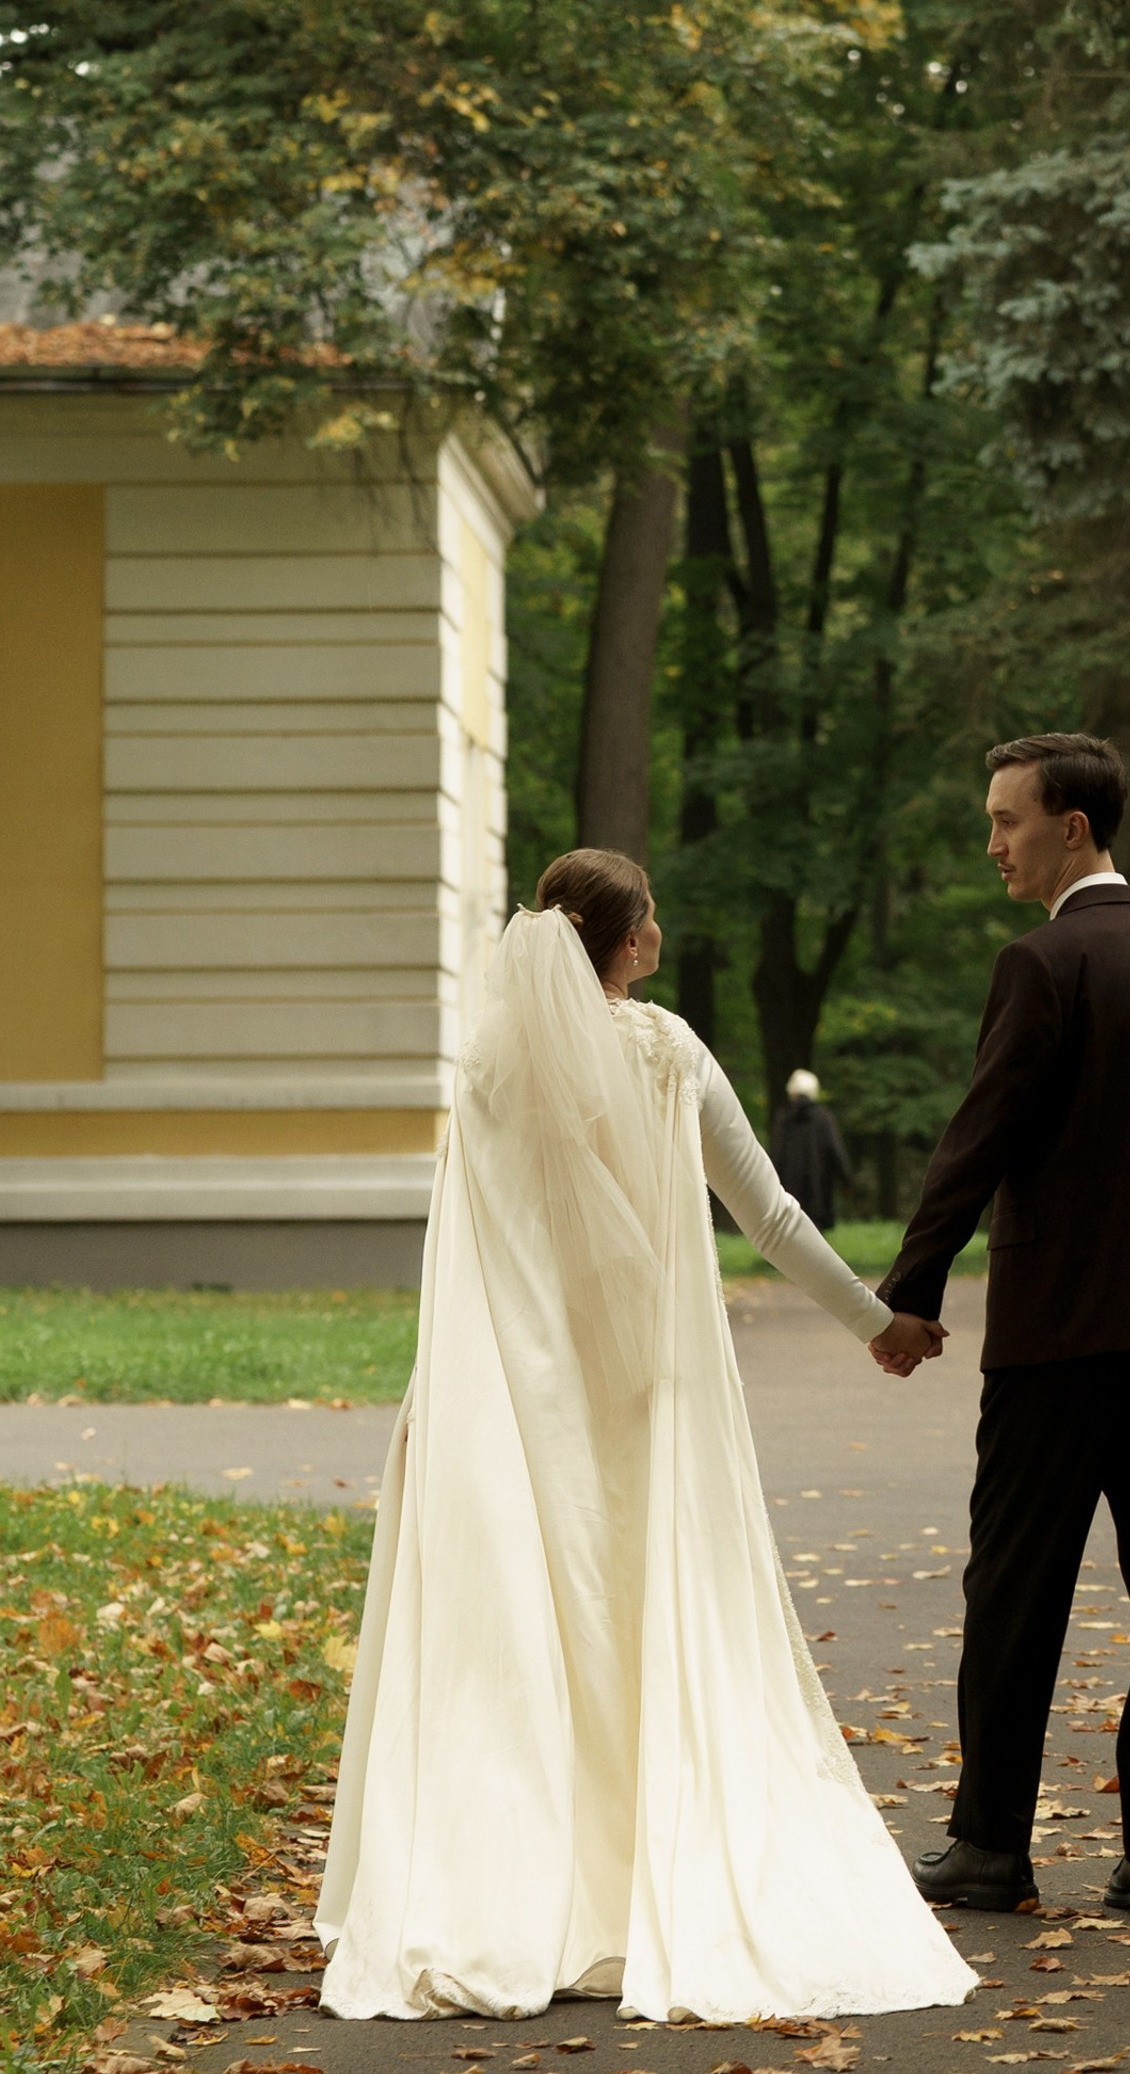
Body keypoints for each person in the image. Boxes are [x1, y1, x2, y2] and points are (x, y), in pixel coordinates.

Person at [316, 848, 971, 2026]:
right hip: (637, 1395)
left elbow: (459, 1244)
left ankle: (514, 1887)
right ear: (624, 943)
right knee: (639, 1613)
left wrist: (435, 1390)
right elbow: (766, 1213)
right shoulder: (667, 1053)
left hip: (508, 1394)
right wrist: (878, 1321)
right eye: (652, 915)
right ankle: (635, 1879)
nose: (659, 934)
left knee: (513, 1641)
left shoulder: (488, 1066)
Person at [872, 733, 1130, 1923]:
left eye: (1007, 821)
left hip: (1059, 1339)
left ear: (1071, 828)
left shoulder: (1044, 965)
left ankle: (991, 1848)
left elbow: (978, 1138)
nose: (993, 844)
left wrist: (911, 1293)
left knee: (1016, 1590)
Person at [770, 1069, 856, 1230]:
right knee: (815, 1234)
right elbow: (834, 1150)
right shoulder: (823, 1118)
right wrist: (846, 1181)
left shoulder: (783, 1118)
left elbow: (775, 1154)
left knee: (789, 1234)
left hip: (788, 1190)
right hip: (817, 1190)